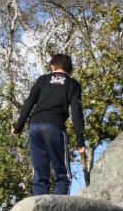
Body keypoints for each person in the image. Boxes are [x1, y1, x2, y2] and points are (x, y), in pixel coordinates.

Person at [11, 54, 85, 196]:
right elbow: (76, 112)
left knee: (39, 172)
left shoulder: (42, 80)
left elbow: (29, 103)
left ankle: (40, 205)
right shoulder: (73, 84)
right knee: (63, 174)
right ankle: (60, 207)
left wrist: (17, 127)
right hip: (54, 126)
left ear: (52, 66)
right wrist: (80, 139)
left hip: (34, 126)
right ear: (70, 69)